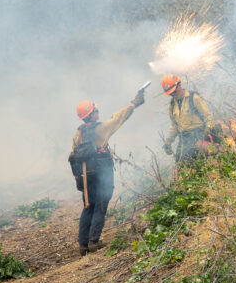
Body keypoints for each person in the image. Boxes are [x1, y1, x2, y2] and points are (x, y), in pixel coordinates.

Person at [72, 90, 144, 256]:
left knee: (88, 206)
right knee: (101, 205)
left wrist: (78, 179)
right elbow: (118, 118)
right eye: (95, 111)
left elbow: (73, 156)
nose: (98, 112)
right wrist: (133, 104)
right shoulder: (101, 129)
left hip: (86, 175)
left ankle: (83, 245)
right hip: (101, 172)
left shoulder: (77, 134)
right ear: (91, 115)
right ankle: (94, 242)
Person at [161, 74, 214, 164]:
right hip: (184, 139)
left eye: (174, 91)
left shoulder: (193, 98)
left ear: (179, 85)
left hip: (198, 134)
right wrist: (168, 142)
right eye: (170, 93)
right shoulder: (172, 105)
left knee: (198, 163)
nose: (173, 94)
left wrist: (208, 130)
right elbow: (174, 126)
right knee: (180, 164)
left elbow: (208, 116)